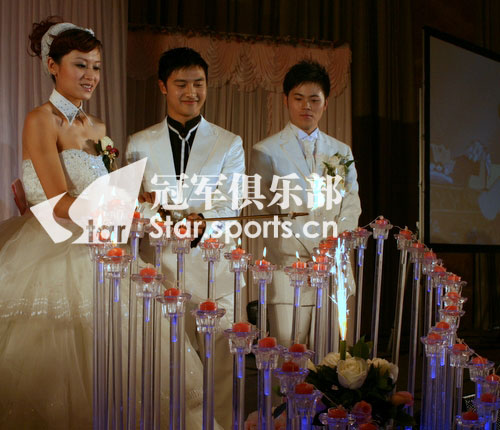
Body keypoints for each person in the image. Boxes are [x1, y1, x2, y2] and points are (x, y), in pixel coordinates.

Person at [0, 20, 212, 430]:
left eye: (96, 67)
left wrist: (143, 206)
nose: (90, 76)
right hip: (54, 245)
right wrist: (119, 210)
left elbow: (111, 189)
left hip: (102, 244)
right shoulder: (41, 120)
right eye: (80, 65)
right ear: (52, 66)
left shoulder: (96, 127)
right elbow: (59, 202)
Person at [126, 47, 245, 430]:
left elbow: (231, 200)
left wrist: (202, 221)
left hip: (215, 271)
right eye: (181, 84)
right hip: (160, 271)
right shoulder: (139, 142)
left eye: (198, 83)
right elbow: (134, 202)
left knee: (220, 368)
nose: (191, 92)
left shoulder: (229, 142)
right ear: (163, 86)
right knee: (166, 369)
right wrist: (158, 219)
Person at [251, 60, 361, 347]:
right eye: (298, 98)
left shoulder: (341, 151)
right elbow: (264, 211)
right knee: (289, 354)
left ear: (325, 103)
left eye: (314, 99)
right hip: (290, 268)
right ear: (286, 100)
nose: (306, 106)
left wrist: (334, 245)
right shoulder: (266, 151)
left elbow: (350, 203)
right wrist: (307, 251)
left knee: (333, 357)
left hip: (333, 267)